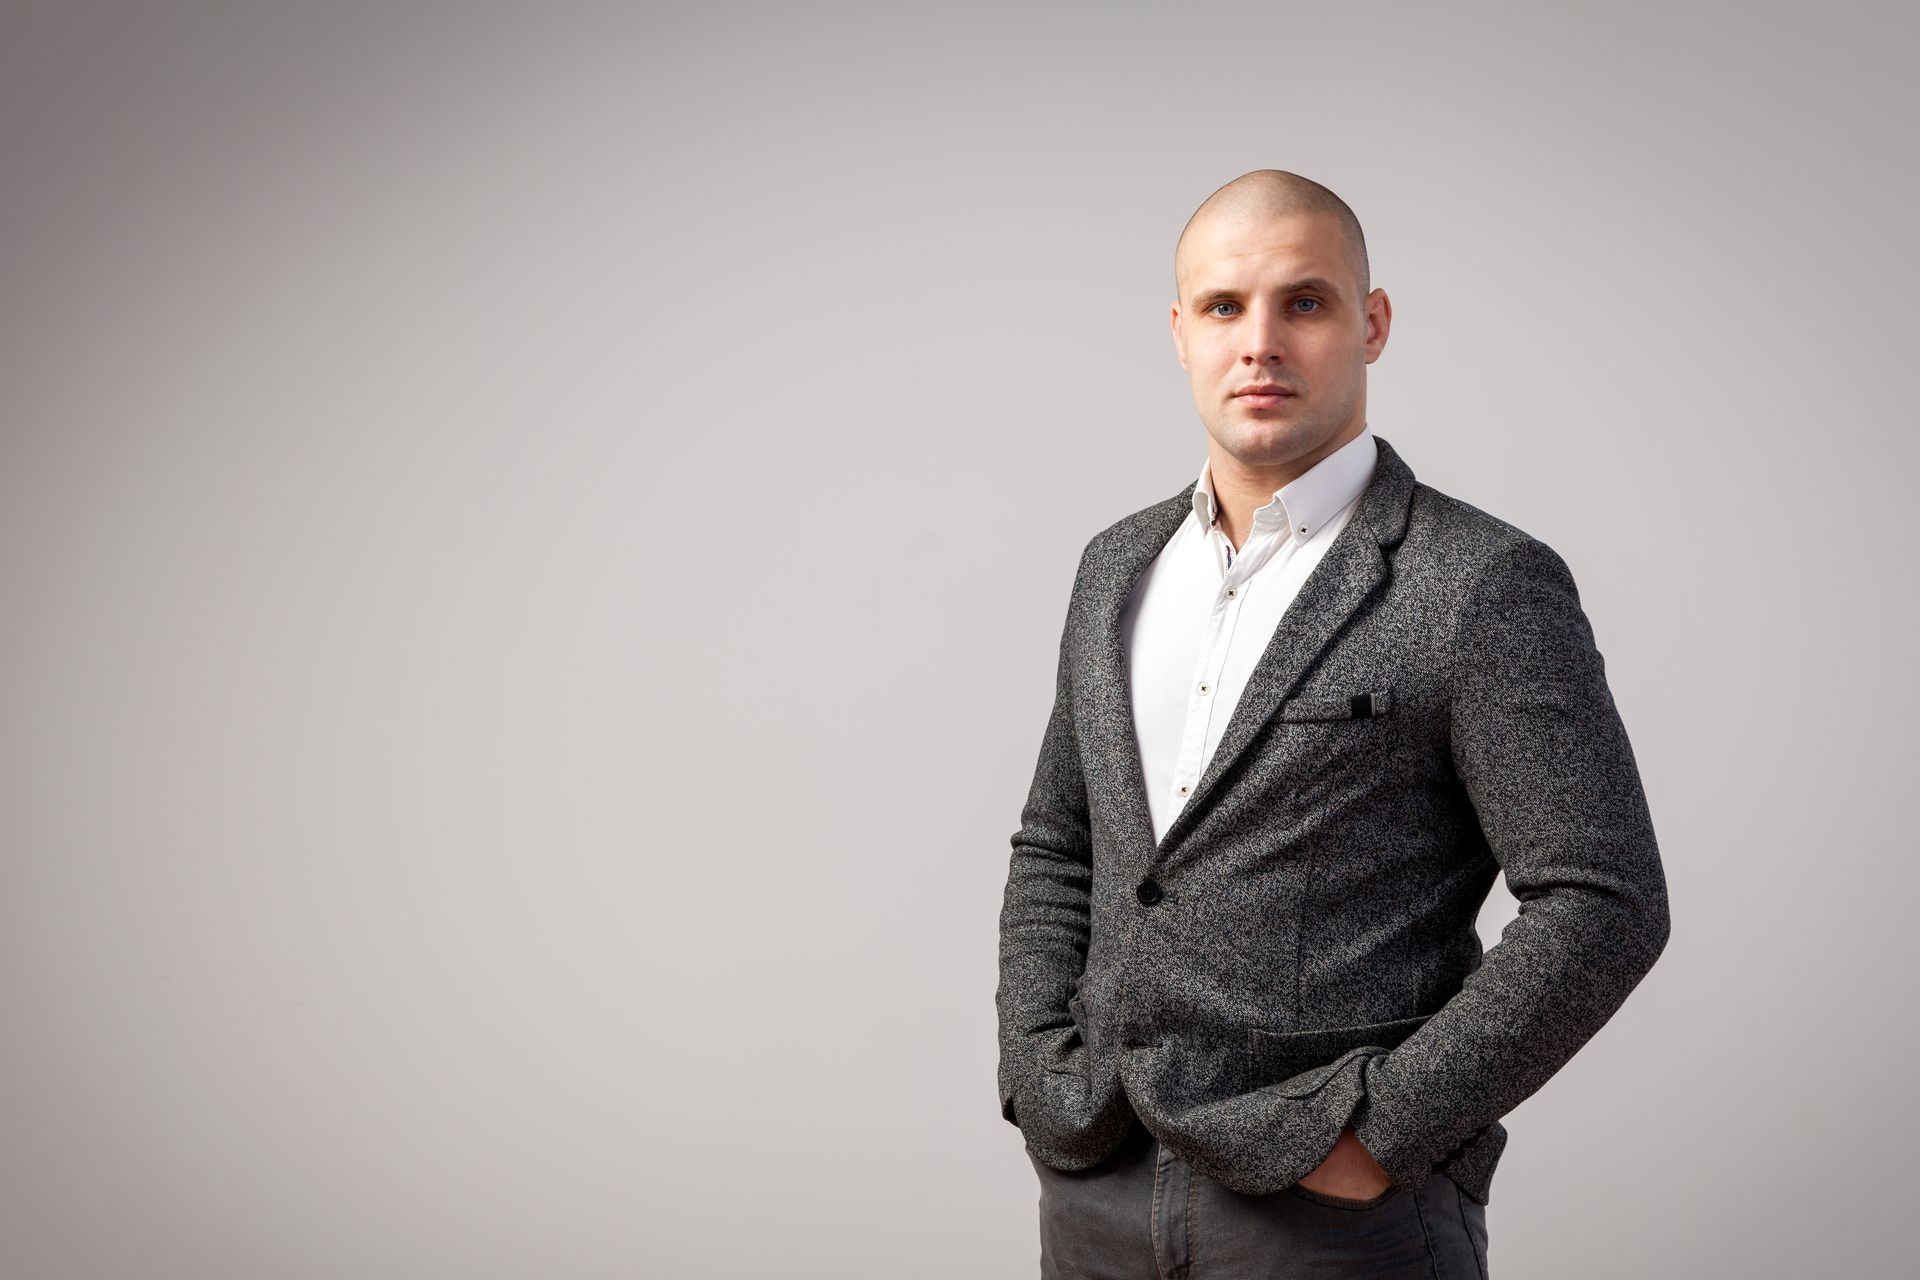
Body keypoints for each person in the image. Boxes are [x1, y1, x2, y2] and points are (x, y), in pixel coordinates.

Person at [993, 170, 1671, 1278]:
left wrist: (1386, 1130)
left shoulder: (1479, 582)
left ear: (1372, 321)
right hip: (1097, 1190)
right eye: (1223, 307)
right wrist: (1037, 1067)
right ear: (1179, 332)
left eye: (1302, 301)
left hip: (1333, 1220)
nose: (1258, 342)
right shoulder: (1113, 566)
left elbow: (1606, 898)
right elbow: (1059, 843)